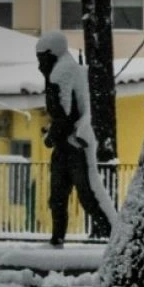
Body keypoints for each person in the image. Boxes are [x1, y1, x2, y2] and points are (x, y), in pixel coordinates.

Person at [35, 31, 114, 245]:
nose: (39, 66)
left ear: (51, 54)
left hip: (73, 146)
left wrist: (51, 136)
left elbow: (64, 114)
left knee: (86, 196)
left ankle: (115, 235)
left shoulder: (61, 74)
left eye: (41, 59)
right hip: (69, 146)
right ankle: (58, 237)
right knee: (64, 197)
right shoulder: (67, 69)